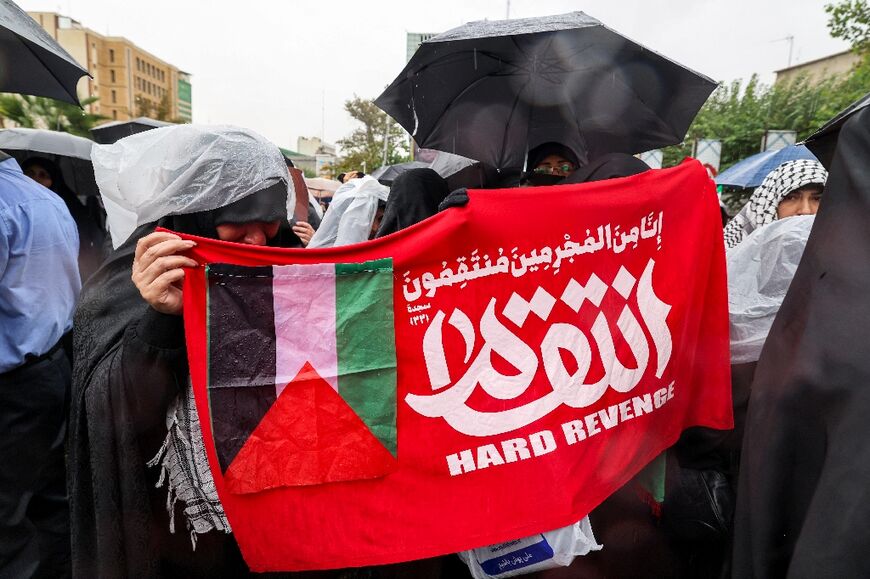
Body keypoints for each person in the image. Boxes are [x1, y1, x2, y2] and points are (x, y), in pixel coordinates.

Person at [68, 125, 298, 578]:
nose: (257, 242)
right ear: (196, 210)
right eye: (239, 221)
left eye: (268, 222)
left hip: (276, 519)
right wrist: (161, 320)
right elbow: (109, 415)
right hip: (179, 533)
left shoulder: (285, 262)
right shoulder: (134, 278)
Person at [0, 151, 80, 578]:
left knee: (8, 519)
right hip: (50, 367)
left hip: (15, 386)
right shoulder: (47, 202)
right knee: (50, 500)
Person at [22, 157, 107, 283]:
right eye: (30, 173)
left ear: (54, 180)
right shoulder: (14, 206)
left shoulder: (70, 208)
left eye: (43, 175)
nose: (35, 179)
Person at [722, 159, 828, 249]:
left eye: (817, 199)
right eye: (791, 198)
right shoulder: (729, 253)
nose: (805, 211)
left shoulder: (839, 254)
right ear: (770, 204)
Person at [308, 175, 389, 247]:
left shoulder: (387, 254)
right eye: (366, 219)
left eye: (381, 219)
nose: (374, 228)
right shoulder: (320, 257)